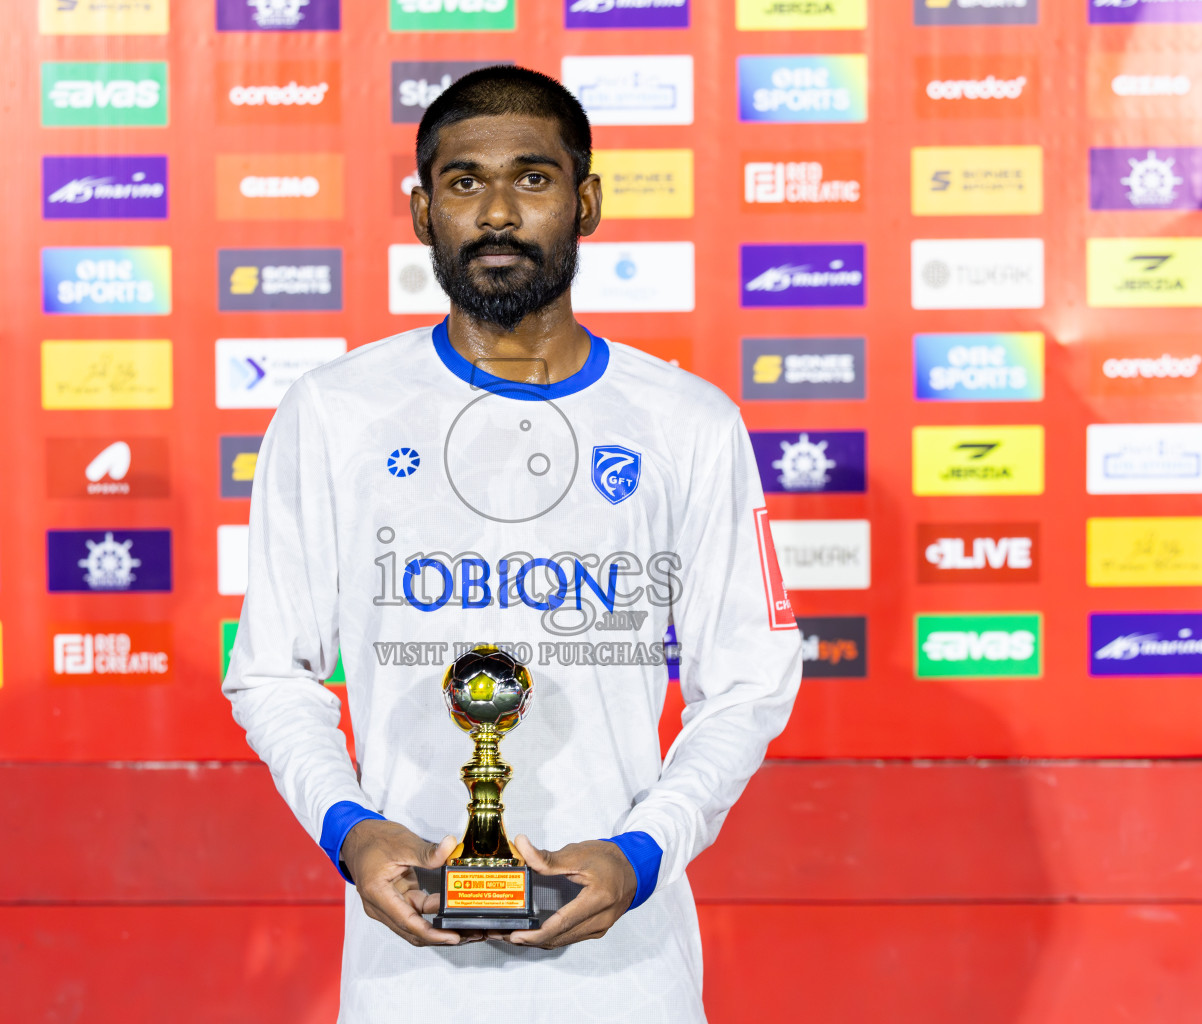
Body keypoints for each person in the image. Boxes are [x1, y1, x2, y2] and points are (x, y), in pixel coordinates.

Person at [223, 64, 803, 1023]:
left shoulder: (687, 421)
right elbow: (271, 673)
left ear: (586, 202)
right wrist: (353, 832)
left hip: (630, 975)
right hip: (406, 977)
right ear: (421, 213)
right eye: (463, 182)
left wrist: (643, 851)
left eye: (532, 179)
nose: (497, 211)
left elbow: (748, 679)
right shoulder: (333, 412)